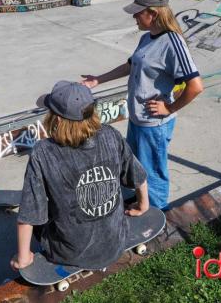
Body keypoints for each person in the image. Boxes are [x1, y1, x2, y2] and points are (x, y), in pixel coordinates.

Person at [81, 0, 204, 211]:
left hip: (154, 124)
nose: (135, 17)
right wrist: (98, 79)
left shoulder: (173, 43)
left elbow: (195, 86)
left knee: (152, 171)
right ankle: (143, 202)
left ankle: (157, 214)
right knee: (136, 166)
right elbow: (131, 64)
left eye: (138, 13)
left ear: (153, 13)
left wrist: (170, 107)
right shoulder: (147, 38)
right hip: (138, 119)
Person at [10, 81, 149, 270]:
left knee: (43, 217)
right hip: (116, 241)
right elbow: (138, 176)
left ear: (57, 120)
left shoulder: (43, 152)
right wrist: (143, 205)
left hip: (70, 253)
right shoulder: (110, 135)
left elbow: (30, 214)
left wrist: (23, 258)